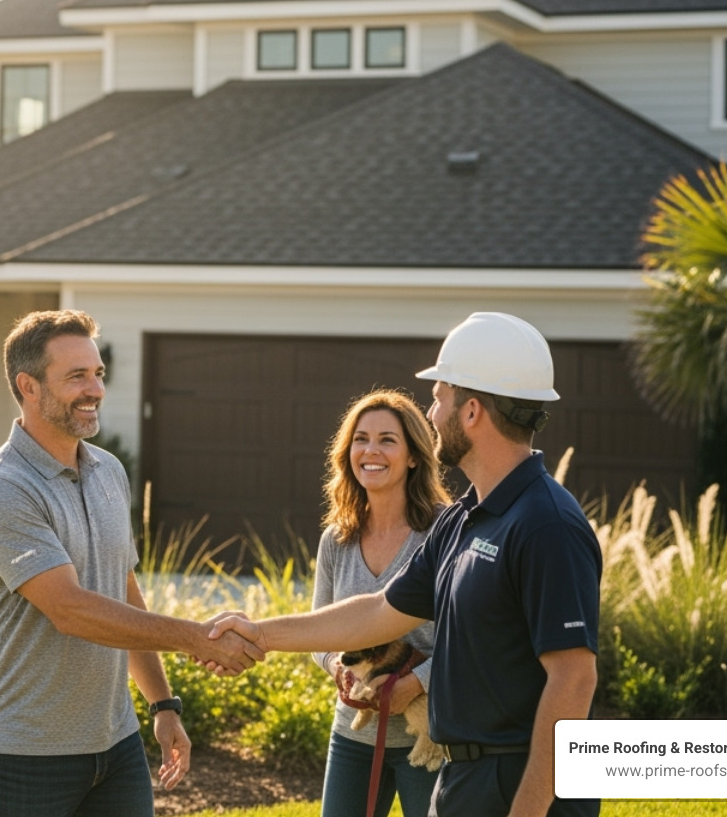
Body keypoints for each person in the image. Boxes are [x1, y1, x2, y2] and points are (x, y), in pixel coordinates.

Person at [208, 312, 602, 817]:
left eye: (439, 397)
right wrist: (259, 633)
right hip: (462, 780)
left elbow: (573, 679)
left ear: (473, 411)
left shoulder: (547, 524)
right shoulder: (462, 520)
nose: (432, 413)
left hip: (521, 785)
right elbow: (377, 612)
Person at [0, 309, 265, 817]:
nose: (95, 389)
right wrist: (195, 636)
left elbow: (122, 588)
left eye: (98, 373)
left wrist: (163, 704)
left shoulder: (108, 471)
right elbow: (71, 610)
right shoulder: (1, 488)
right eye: (76, 376)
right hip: (24, 751)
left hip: (115, 743)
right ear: (28, 386)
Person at [312, 390, 452, 817]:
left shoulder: (442, 534)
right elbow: (321, 635)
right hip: (354, 738)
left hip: (426, 740)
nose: (371, 450)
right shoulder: (337, 539)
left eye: (387, 439)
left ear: (413, 456)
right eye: (361, 439)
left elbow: (465, 638)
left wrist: (415, 683)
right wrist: (338, 667)